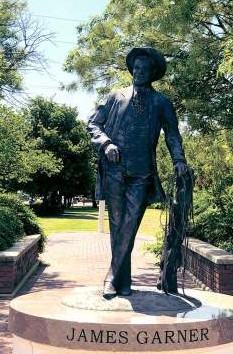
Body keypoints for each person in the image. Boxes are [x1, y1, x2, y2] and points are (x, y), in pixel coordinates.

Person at [87, 47, 189, 298]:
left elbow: (173, 135)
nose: (139, 72)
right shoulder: (115, 96)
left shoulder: (161, 102)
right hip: (115, 169)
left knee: (129, 226)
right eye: (136, 67)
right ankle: (122, 283)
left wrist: (179, 160)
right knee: (117, 224)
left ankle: (111, 276)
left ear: (153, 73)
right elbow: (93, 124)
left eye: (145, 69)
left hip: (142, 173)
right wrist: (106, 143)